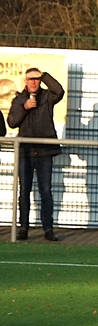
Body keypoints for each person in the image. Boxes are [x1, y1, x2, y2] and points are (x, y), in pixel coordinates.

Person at [7, 67, 64, 241]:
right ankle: (23, 228)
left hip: (44, 151)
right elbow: (12, 122)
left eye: (37, 79)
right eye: (30, 79)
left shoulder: (47, 97)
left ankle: (48, 229)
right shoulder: (19, 100)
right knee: (24, 191)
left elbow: (59, 91)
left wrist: (45, 75)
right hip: (25, 151)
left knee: (45, 191)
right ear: (25, 81)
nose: (34, 82)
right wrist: (24, 108)